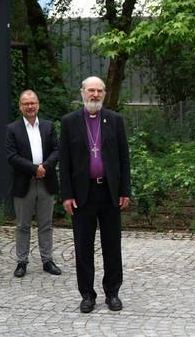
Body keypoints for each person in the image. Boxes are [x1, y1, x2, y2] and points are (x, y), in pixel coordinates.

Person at [59, 76, 131, 313]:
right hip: (82, 193)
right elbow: (65, 161)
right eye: (91, 90)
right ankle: (87, 295)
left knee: (112, 245)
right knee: (83, 246)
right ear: (82, 92)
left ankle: (112, 293)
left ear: (104, 93)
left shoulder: (115, 120)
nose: (95, 95)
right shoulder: (69, 122)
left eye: (99, 91)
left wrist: (124, 191)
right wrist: (66, 195)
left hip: (109, 192)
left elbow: (123, 159)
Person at [6, 90, 61, 278]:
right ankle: (21, 262)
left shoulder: (48, 126)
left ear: (38, 104)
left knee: (46, 224)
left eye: (33, 103)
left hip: (46, 182)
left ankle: (47, 260)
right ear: (20, 106)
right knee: (22, 225)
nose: (30, 106)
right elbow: (11, 157)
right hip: (24, 183)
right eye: (26, 103)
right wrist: (33, 169)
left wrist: (44, 167)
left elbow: (57, 150)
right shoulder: (12, 129)